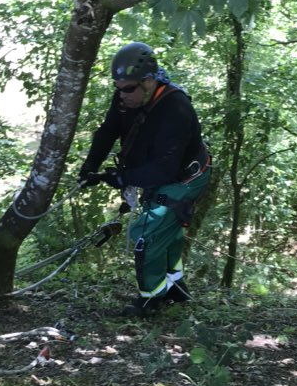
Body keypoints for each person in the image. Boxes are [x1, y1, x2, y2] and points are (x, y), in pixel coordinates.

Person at [78, 42, 211, 316]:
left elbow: (165, 169)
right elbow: (108, 130)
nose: (122, 95)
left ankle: (151, 300)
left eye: (128, 88)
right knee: (167, 234)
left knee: (145, 235)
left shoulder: (176, 109)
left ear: (148, 82)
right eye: (118, 88)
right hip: (161, 173)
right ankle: (176, 289)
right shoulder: (126, 98)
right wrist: (91, 165)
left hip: (183, 178)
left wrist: (123, 178)